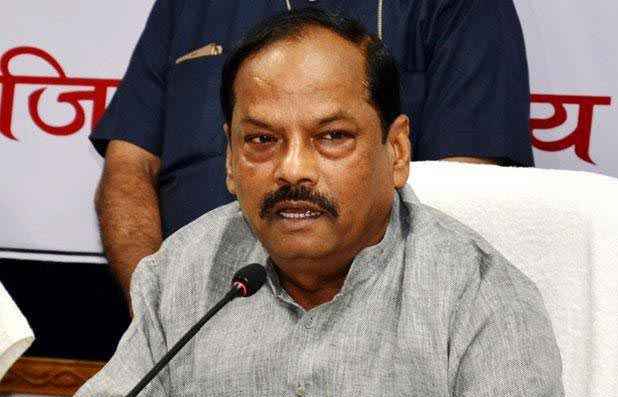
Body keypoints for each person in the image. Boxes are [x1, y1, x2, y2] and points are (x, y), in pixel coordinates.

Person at [30, 11, 566, 397]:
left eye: (332, 137)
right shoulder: (183, 278)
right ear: (231, 160)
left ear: (397, 151)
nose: (292, 170)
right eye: (262, 140)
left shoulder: (484, 302)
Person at [91, 0, 534, 297]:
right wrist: (156, 309)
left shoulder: (465, 8)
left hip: (370, 338)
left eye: (333, 135)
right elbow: (127, 169)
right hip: (192, 325)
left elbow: (464, 191)